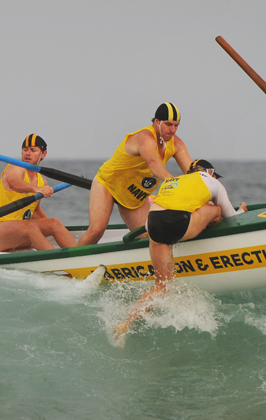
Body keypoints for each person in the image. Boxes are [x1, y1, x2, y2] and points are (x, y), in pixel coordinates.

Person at [114, 158, 247, 342]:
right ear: (210, 172)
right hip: (180, 224)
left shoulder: (171, 182)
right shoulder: (212, 181)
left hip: (153, 224)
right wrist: (242, 210)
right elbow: (231, 217)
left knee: (161, 285)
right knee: (215, 209)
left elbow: (147, 223)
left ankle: (125, 324)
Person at [76, 103, 193, 246]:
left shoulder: (177, 144)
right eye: (168, 124)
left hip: (133, 197)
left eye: (176, 125)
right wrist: (172, 181)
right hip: (108, 184)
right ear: (157, 122)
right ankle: (69, 264)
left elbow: (192, 173)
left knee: (151, 238)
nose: (173, 130)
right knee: (96, 231)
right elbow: (152, 161)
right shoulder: (145, 137)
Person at [0, 134, 76, 252]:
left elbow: (35, 211)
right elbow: (14, 182)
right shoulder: (16, 167)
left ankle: (80, 259)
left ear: (43, 154)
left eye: (33, 150)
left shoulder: (42, 181)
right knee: (31, 227)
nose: (27, 153)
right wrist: (36, 189)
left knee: (55, 223)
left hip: (21, 231)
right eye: (25, 150)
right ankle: (56, 261)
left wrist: (50, 227)